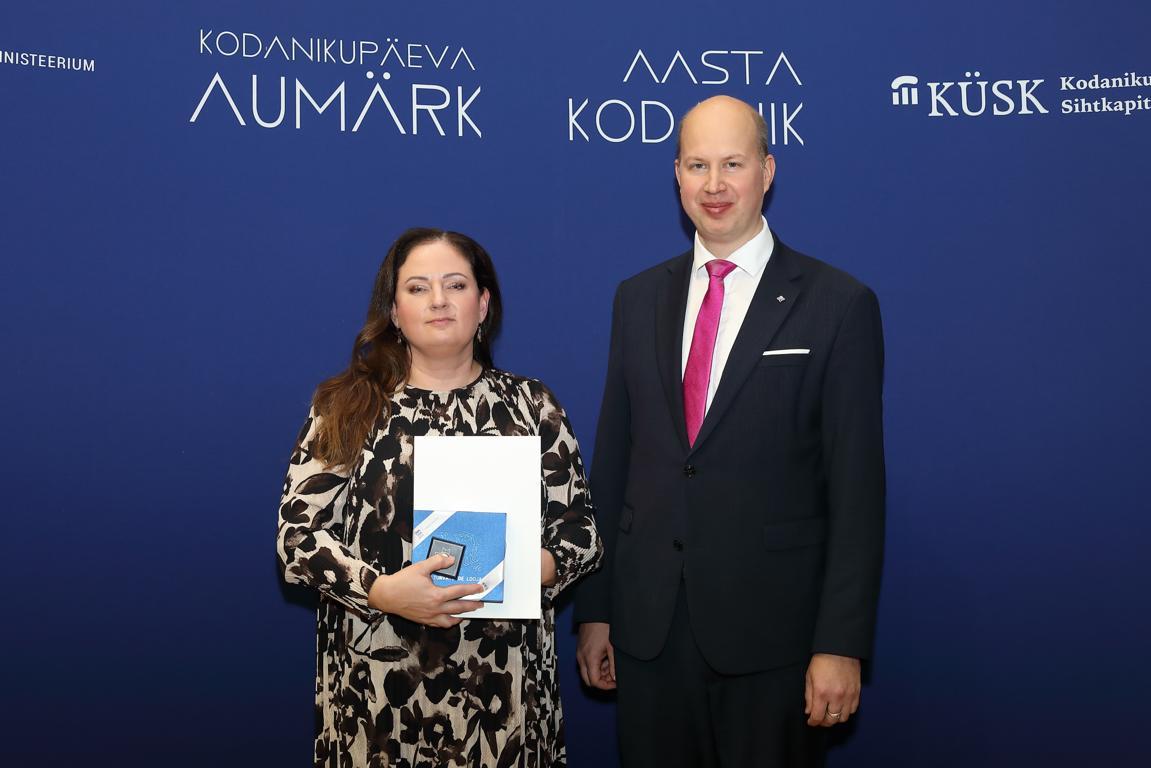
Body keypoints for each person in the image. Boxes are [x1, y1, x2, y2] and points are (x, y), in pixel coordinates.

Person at [573, 95, 886, 767]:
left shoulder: (838, 304)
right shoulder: (637, 298)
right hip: (648, 631)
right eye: (697, 165)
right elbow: (615, 460)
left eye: (732, 164)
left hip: (775, 638)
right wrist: (596, 610)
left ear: (767, 171)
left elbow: (857, 489)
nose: (713, 185)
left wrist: (840, 643)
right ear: (677, 175)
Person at [277, 227, 603, 767]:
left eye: (455, 284)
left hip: (504, 690)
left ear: (483, 304)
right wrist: (380, 591)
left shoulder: (532, 407)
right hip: (375, 687)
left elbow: (582, 535)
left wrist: (523, 569)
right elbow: (297, 538)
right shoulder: (346, 406)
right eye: (417, 287)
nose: (438, 300)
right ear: (394, 311)